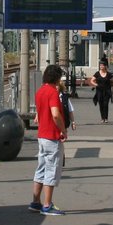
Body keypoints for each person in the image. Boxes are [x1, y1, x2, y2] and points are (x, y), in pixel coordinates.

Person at [30, 64, 68, 216]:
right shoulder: (52, 92)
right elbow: (55, 114)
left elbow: (38, 115)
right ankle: (47, 205)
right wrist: (63, 130)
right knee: (51, 170)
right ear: (57, 78)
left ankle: (35, 202)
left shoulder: (40, 92)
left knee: (41, 169)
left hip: (41, 136)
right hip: (52, 136)